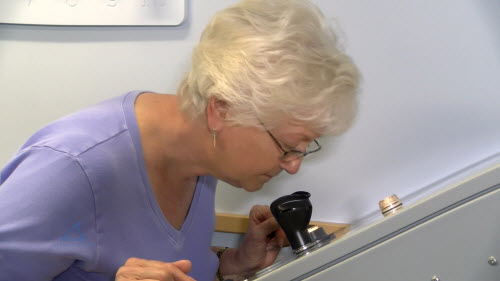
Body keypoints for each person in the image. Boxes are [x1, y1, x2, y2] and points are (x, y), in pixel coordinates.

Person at [0, 0, 359, 280]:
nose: (293, 166)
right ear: (222, 109)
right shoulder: (70, 168)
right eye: (288, 147)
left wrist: (232, 263)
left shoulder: (204, 155)